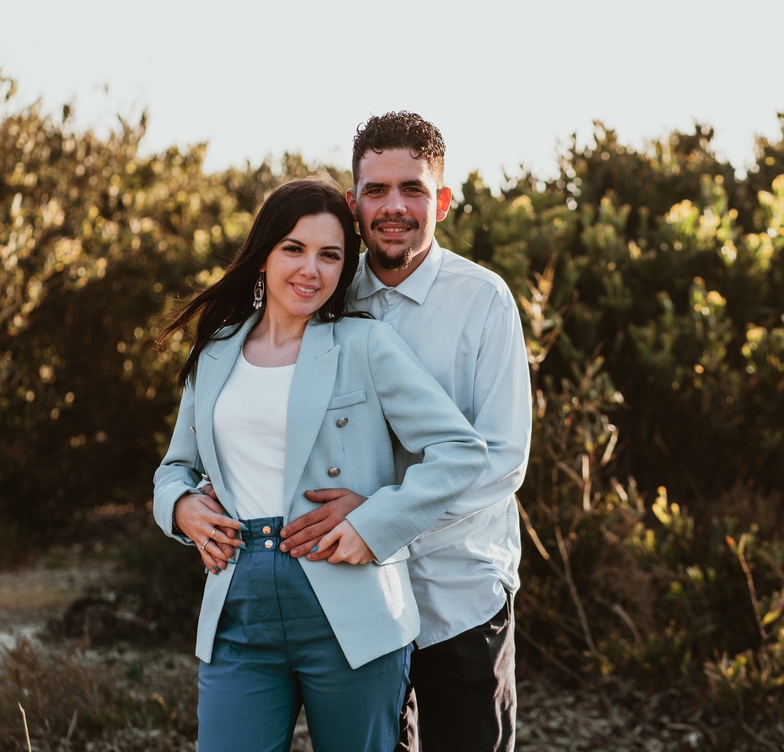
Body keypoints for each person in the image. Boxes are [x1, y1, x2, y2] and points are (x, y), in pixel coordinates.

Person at [152, 178, 488, 752]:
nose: (311, 269)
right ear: (264, 253)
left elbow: (460, 451)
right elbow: (174, 468)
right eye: (294, 248)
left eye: (330, 255)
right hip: (237, 608)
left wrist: (373, 523)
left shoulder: (365, 345)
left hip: (352, 607)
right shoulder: (215, 352)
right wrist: (181, 508)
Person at [276, 113, 533, 752]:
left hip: (459, 595)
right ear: (353, 204)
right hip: (354, 600)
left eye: (412, 189)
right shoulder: (325, 298)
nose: (394, 207)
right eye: (377, 190)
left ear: (440, 202)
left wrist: (380, 518)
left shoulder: (484, 301)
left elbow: (503, 458)